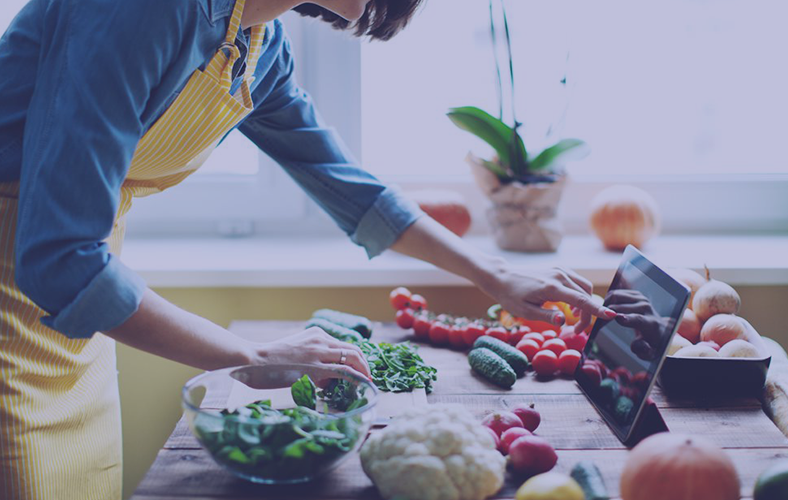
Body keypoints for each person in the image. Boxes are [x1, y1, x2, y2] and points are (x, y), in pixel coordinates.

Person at [0, 1, 616, 498]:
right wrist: (256, 354)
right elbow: (59, 256)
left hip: (75, 311)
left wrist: (496, 273)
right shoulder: (145, 10)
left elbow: (350, 188)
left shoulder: (256, 44)